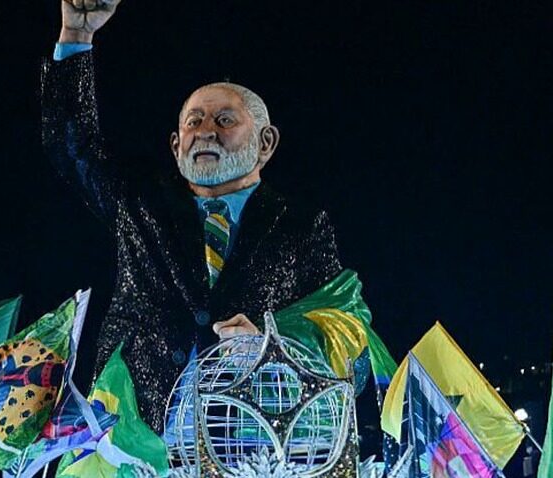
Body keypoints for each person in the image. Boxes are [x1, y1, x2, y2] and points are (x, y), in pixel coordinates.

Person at [41, 0, 344, 430]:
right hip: (134, 433)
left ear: (266, 142)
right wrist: (76, 37)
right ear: (175, 145)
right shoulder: (139, 203)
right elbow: (72, 145)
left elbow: (340, 328)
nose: (205, 131)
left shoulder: (301, 225)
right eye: (193, 121)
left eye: (224, 120)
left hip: (247, 436)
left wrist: (270, 346)